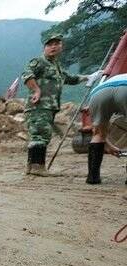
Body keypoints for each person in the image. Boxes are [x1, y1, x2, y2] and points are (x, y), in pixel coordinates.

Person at [21, 33, 102, 177]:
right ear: (45, 48)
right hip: (39, 105)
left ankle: (32, 166)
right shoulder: (39, 62)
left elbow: (69, 78)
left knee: (42, 134)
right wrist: (36, 90)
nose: (53, 47)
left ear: (61, 47)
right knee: (40, 134)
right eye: (50, 44)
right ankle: (36, 167)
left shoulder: (56, 66)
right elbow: (27, 75)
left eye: (57, 44)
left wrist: (89, 77)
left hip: (50, 106)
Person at [84, 73, 127, 184]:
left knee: (98, 134)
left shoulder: (118, 76)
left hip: (99, 92)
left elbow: (97, 130)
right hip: (125, 89)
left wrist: (107, 145)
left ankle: (93, 178)